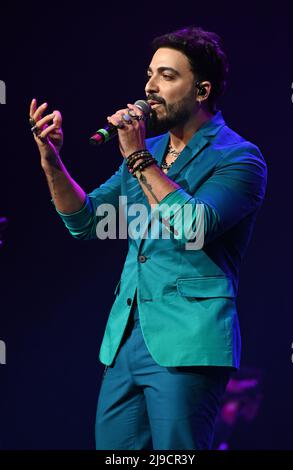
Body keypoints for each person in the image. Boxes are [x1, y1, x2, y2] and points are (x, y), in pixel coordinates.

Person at [29, 26, 267, 450]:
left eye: (167, 76)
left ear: (202, 90)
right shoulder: (149, 151)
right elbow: (85, 220)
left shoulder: (239, 157)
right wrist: (52, 162)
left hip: (188, 341)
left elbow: (196, 225)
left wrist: (137, 156)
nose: (149, 88)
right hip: (125, 340)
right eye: (149, 74)